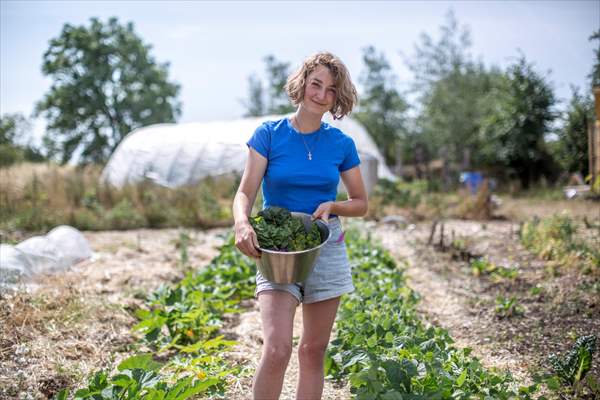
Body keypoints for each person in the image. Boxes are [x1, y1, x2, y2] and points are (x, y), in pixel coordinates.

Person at [232, 51, 368, 400]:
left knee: (312, 351)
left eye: (331, 90)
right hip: (278, 248)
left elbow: (361, 203)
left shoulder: (341, 143)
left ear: (338, 98)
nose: (321, 94)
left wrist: (333, 205)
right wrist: (242, 224)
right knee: (277, 349)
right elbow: (245, 193)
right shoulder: (269, 134)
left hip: (325, 247)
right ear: (302, 84)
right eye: (316, 84)